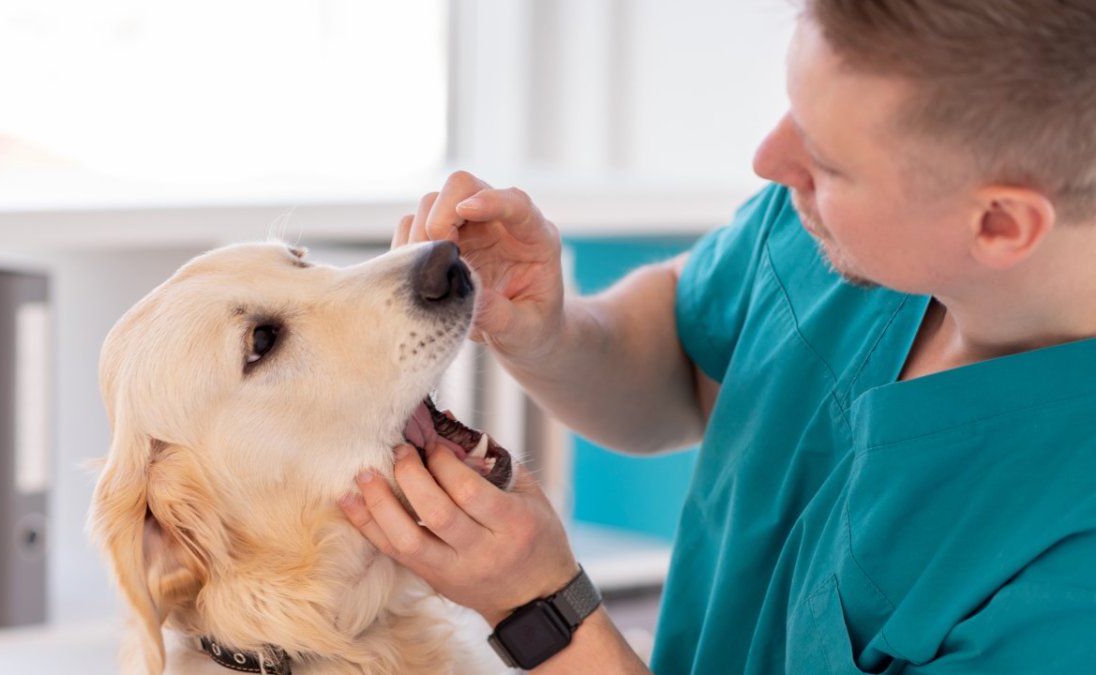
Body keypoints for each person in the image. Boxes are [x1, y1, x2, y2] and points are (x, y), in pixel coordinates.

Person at [339, 0, 1096, 672]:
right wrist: (550, 330)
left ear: (999, 223)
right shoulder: (840, 236)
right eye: (795, 109)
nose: (768, 161)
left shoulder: (1070, 584)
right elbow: (679, 364)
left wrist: (539, 608)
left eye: (826, 163)